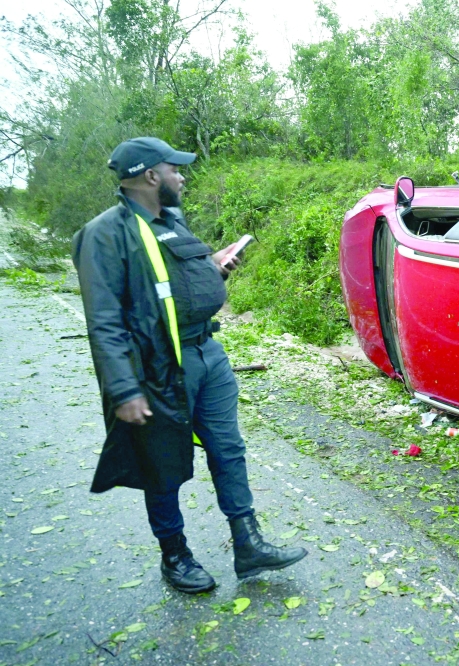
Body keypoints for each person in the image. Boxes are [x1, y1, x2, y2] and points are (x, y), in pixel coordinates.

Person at [73, 137, 307, 593]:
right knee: (162, 463)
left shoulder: (171, 219)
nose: (182, 176)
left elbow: (175, 279)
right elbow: (102, 318)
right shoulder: (104, 234)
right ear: (150, 176)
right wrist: (124, 389)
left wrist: (214, 266)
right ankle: (175, 556)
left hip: (208, 356)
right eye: (174, 169)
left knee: (228, 449)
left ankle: (249, 544)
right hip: (157, 368)